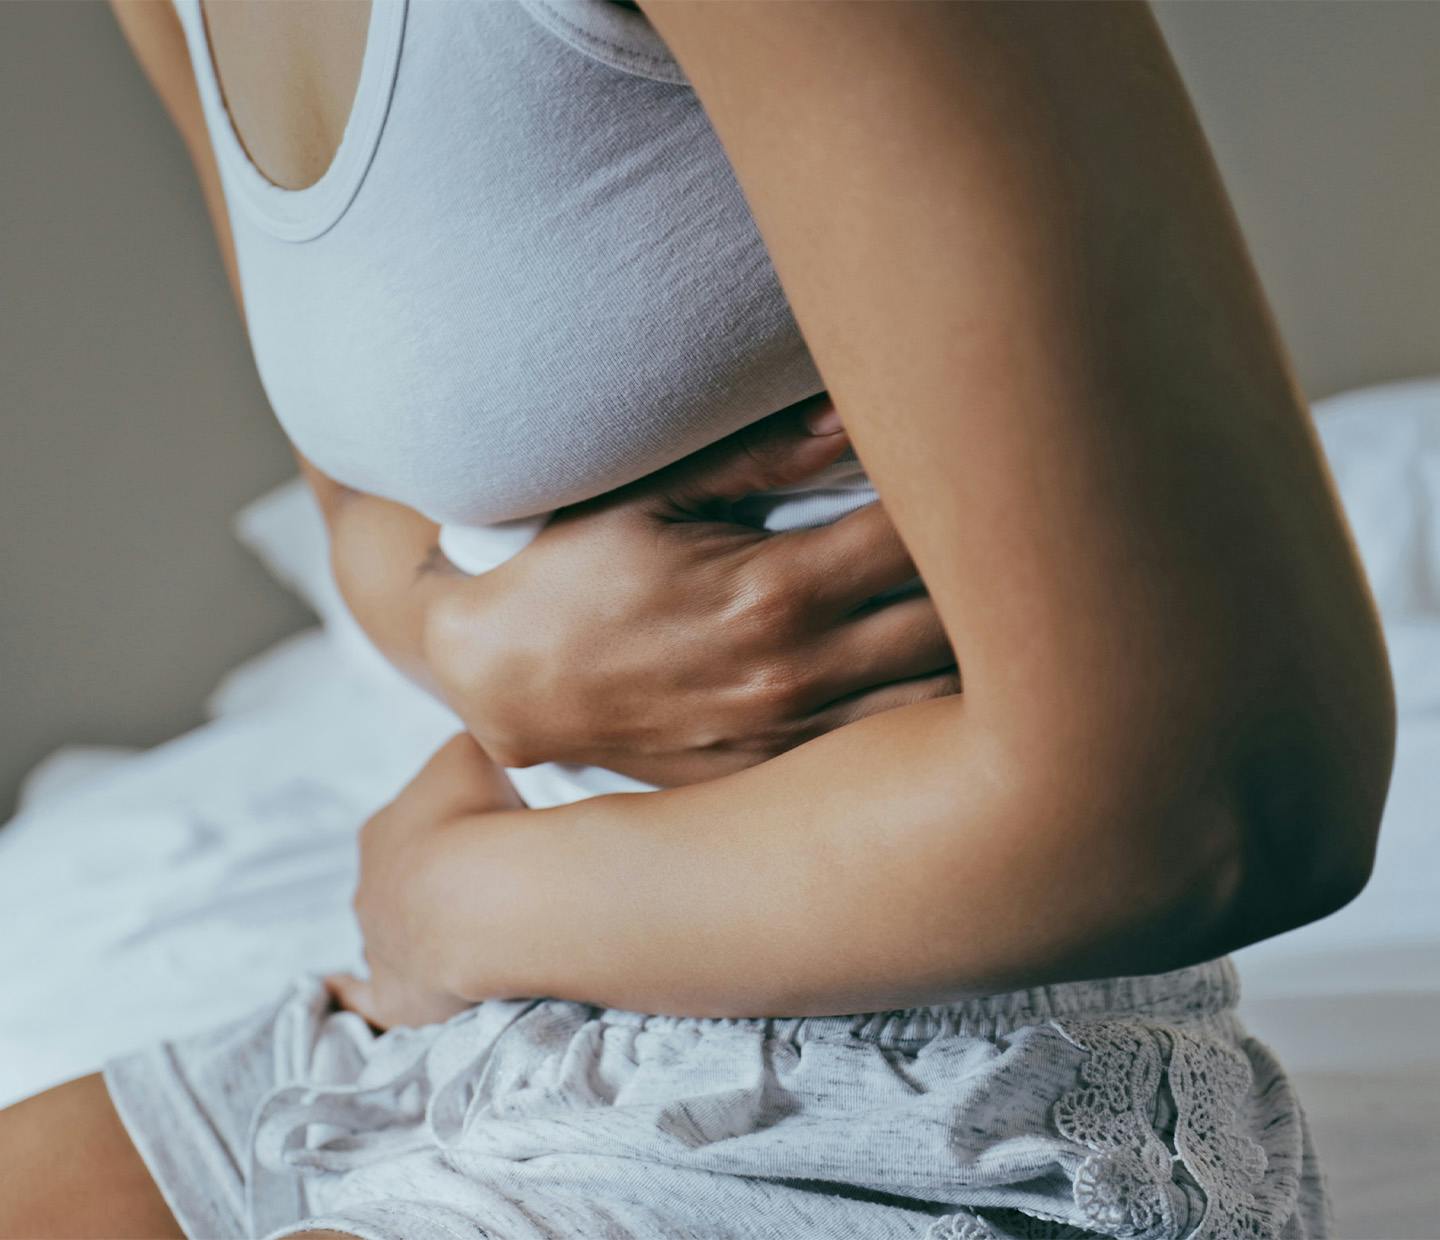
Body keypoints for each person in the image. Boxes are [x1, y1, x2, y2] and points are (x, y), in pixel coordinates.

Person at [0, 2, 1395, 1238]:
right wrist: (473, 646)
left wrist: (459, 901)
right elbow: (367, 506)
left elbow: (1236, 802)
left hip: (948, 1089)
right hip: (523, 1022)